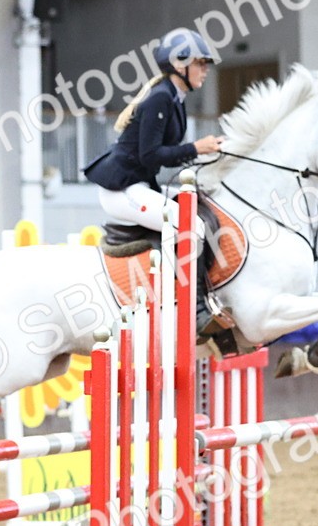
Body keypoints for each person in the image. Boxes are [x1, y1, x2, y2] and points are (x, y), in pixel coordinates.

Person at [83, 27, 226, 335]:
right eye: (201, 63)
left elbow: (165, 156)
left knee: (206, 200)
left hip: (141, 185)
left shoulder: (175, 97)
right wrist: (195, 148)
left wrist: (203, 151)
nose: (205, 70)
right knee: (189, 224)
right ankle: (196, 308)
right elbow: (151, 156)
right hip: (122, 190)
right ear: (180, 65)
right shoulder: (160, 99)